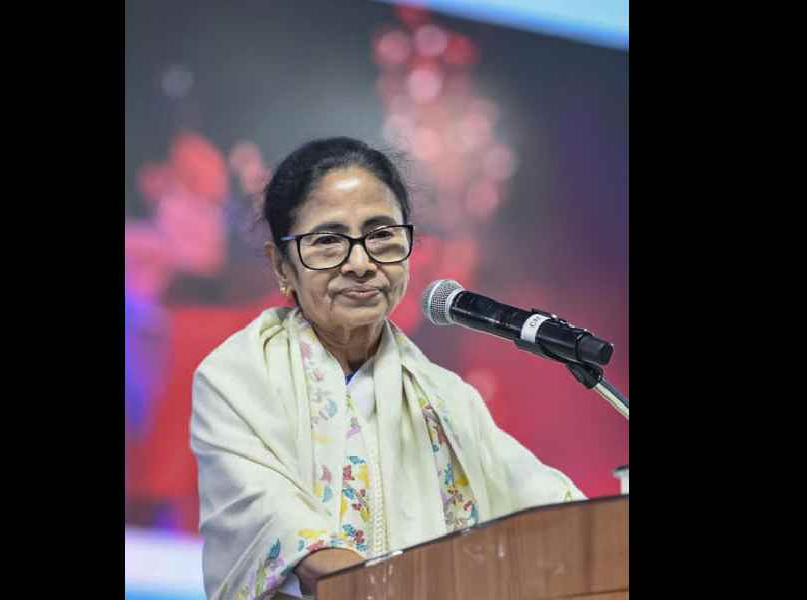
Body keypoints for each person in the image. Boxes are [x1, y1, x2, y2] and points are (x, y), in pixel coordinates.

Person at [190, 137, 585, 600]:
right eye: (328, 241)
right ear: (281, 266)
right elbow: (282, 528)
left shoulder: (448, 399)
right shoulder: (236, 377)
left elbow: (557, 516)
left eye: (382, 235)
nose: (361, 263)